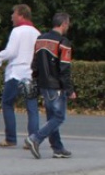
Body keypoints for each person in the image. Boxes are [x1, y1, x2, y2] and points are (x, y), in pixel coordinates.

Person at [0, 4, 40, 148]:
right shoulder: (37, 33)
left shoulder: (17, 31)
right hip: (30, 75)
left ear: (21, 15)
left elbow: (11, 52)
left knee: (7, 104)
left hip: (16, 74)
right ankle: (33, 139)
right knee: (32, 108)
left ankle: (10, 138)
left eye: (13, 14)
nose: (11, 17)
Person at [26, 12, 76, 159]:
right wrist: (69, 89)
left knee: (51, 118)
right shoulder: (63, 42)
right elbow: (64, 69)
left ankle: (57, 147)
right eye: (68, 24)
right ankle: (35, 138)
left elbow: (35, 63)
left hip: (43, 84)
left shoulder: (40, 39)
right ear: (63, 24)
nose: (68, 26)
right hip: (56, 85)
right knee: (59, 117)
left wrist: (36, 79)